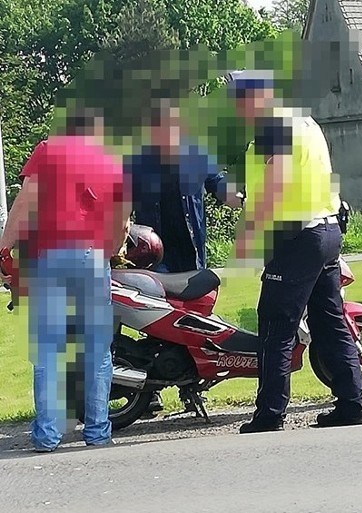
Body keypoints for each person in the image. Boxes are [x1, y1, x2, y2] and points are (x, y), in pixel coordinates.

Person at [224, 70, 362, 434]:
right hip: (325, 227)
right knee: (329, 319)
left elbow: (277, 182)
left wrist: (251, 219)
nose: (235, 108)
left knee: (276, 322)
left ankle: (270, 413)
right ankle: (352, 403)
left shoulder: (275, 126)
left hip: (295, 237)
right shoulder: (305, 122)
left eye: (237, 99)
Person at [0, 108, 130, 452]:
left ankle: (47, 435)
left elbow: (26, 200)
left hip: (50, 256)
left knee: (48, 349)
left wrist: (4, 247)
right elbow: (122, 216)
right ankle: (98, 432)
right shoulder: (111, 162)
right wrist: (112, 249)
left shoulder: (47, 151)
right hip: (93, 259)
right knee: (98, 350)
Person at [125, 99, 243, 413]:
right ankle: (148, 388)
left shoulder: (196, 154)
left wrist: (233, 196)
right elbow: (119, 199)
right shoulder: (137, 161)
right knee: (151, 320)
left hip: (190, 254)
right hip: (152, 256)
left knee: (192, 320)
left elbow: (217, 182)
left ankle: (192, 384)